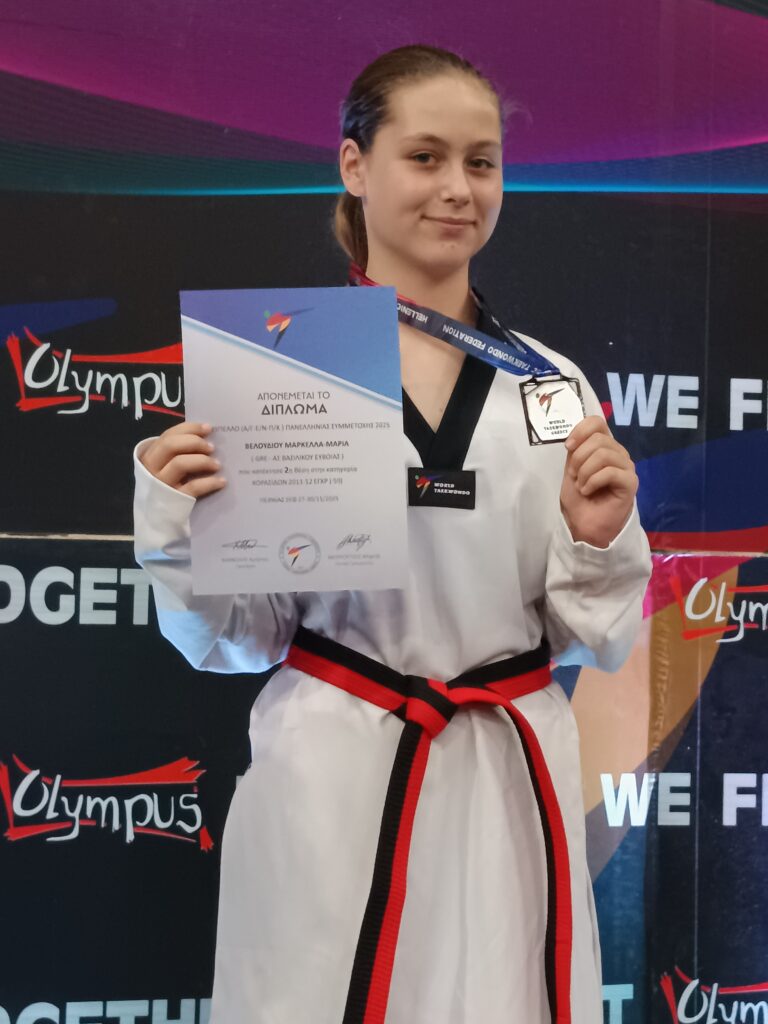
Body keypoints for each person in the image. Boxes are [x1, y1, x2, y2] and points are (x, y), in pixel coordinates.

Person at [134, 44, 651, 1024]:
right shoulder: (282, 369)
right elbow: (237, 635)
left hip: (508, 780)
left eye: (482, 162)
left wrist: (598, 538)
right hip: (335, 776)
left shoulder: (550, 385)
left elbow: (600, 633)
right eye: (425, 157)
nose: (458, 188)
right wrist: (177, 522)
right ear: (354, 165)